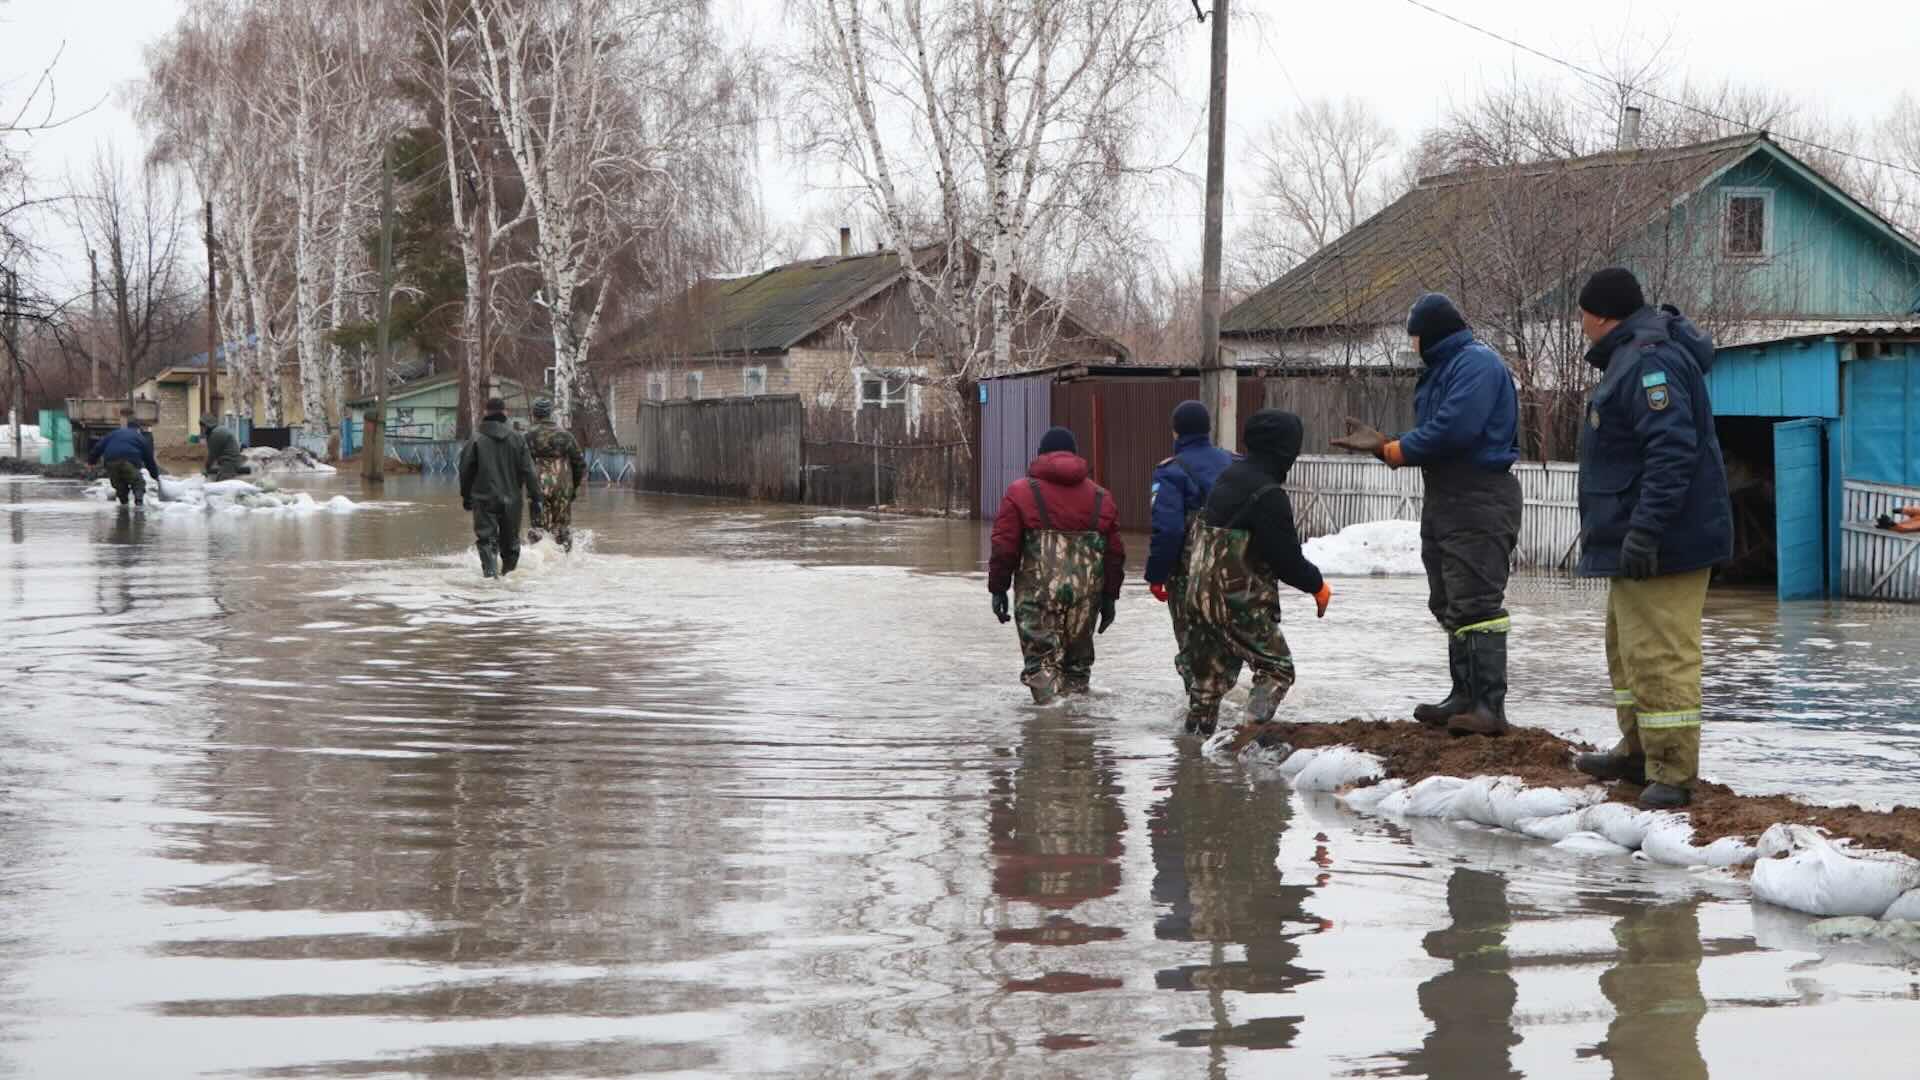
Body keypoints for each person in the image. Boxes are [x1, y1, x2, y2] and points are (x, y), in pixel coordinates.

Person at [1569, 267, 1732, 809]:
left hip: (1664, 543)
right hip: (1636, 540)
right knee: (1627, 650)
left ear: (1601, 314)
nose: (1581, 324)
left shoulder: (1648, 362)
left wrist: (1645, 529)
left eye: (1583, 314)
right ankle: (1639, 752)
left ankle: (1672, 771)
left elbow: (1671, 451)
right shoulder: (1631, 356)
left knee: (1662, 655)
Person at [1332, 293, 1523, 737]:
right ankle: (1464, 694)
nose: (1411, 345)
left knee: (1477, 602)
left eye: (1413, 337)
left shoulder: (1476, 365)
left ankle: (1488, 706)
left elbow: (1456, 429)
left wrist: (1393, 448)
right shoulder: (1444, 369)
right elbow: (1438, 432)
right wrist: (1388, 446)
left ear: (1429, 335)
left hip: (1479, 494)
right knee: (1449, 599)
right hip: (1446, 495)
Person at [1180, 409, 1331, 736]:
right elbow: (1287, 562)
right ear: (1285, 450)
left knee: (1207, 682)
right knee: (1277, 669)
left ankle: (1192, 759)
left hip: (1197, 596)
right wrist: (1318, 586)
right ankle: (1246, 738)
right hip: (1236, 598)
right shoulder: (1268, 495)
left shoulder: (1228, 477)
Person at [988, 426, 1124, 704]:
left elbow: (1004, 546)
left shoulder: (1020, 492)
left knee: (1041, 668)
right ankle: (1078, 738)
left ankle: (1048, 734)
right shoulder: (1101, 497)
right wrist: (1110, 597)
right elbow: (1114, 554)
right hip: (1086, 597)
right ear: (1075, 455)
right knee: (1077, 671)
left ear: (1040, 455)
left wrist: (998, 589)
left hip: (1038, 596)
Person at [1145, 399, 1235, 694]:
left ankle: (1200, 720)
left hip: (1191, 578)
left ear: (1175, 433)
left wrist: (1156, 576)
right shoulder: (1236, 463)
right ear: (1208, 429)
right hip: (1237, 574)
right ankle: (1232, 711)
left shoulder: (1171, 471)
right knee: (1230, 642)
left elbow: (1168, 530)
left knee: (1194, 647)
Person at [458, 396, 543, 580]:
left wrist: (466, 497)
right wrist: (536, 497)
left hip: (484, 499)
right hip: (513, 501)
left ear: (486, 413)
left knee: (486, 540)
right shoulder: (518, 439)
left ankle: (490, 579)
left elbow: (465, 471)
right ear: (505, 413)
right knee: (511, 544)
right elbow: (529, 471)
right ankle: (508, 579)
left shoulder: (476, 439)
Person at [524, 397, 587, 552]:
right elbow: (579, 464)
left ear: (535, 414)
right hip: (563, 484)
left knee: (539, 529)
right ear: (550, 414)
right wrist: (574, 487)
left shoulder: (527, 436)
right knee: (562, 529)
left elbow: (521, 464)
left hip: (537, 485)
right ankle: (565, 564)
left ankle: (538, 563)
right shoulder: (566, 436)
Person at [88, 409, 163, 507]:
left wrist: (91, 461)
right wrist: (155, 476)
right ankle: (139, 506)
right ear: (138, 429)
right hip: (128, 461)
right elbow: (149, 460)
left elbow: (99, 447)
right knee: (138, 483)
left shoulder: (114, 433)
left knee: (120, 487)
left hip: (110, 462)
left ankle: (124, 508)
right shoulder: (140, 437)